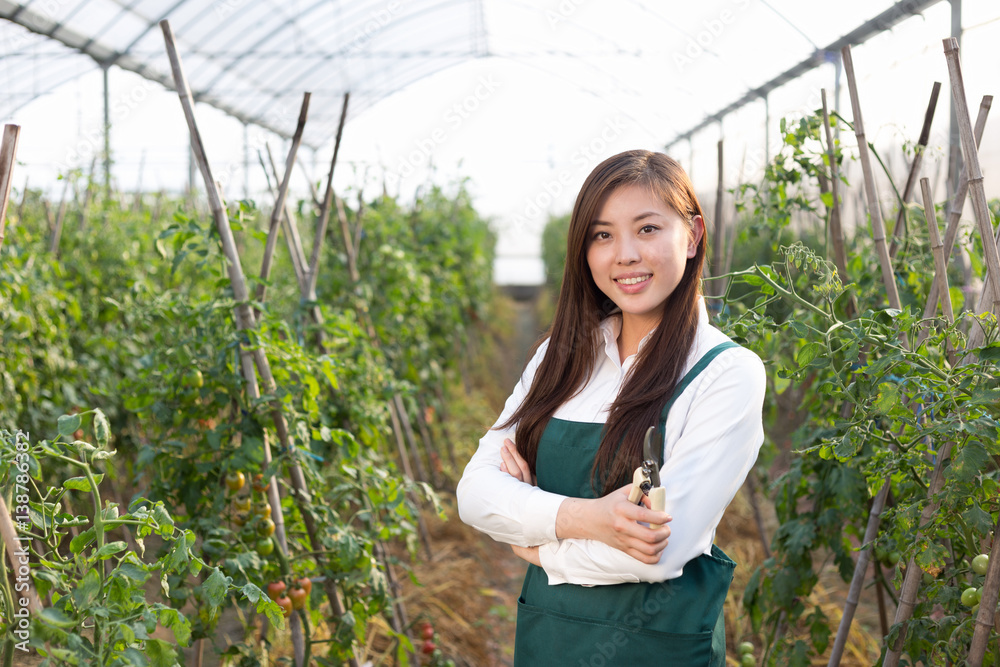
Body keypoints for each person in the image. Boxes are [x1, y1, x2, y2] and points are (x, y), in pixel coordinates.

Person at [456, 149, 765, 666]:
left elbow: (657, 554)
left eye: (647, 229)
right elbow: (474, 494)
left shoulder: (725, 373)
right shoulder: (560, 357)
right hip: (548, 643)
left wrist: (530, 542)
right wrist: (592, 518)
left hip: (655, 649)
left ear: (691, 235)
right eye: (602, 235)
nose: (624, 254)